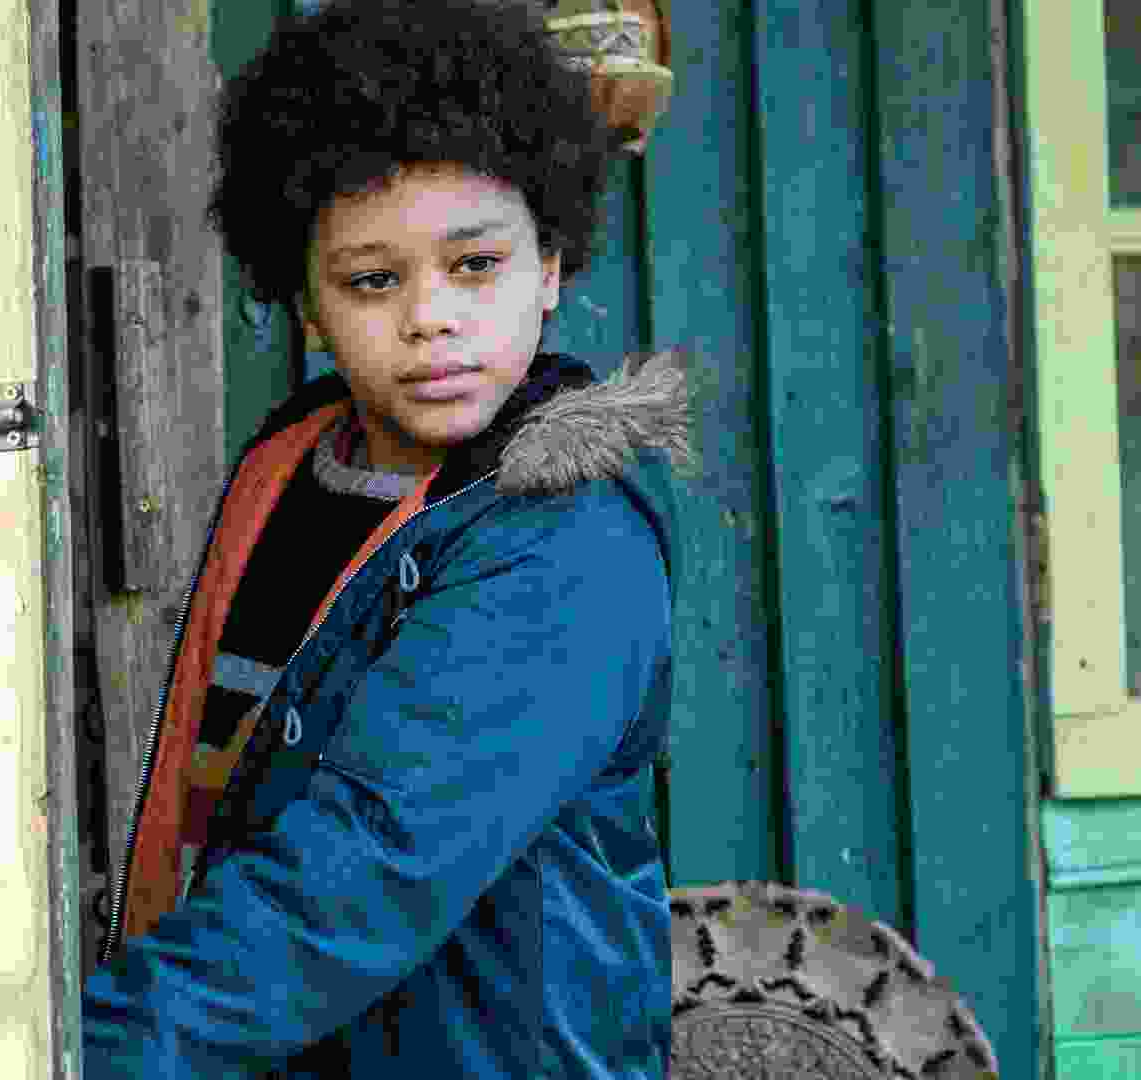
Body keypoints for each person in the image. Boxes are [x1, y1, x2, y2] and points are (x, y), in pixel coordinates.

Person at [81, 1, 690, 1075]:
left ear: (551, 264)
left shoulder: (564, 539)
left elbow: (370, 865)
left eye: (476, 266)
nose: (430, 319)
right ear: (306, 304)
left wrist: (88, 1050)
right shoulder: (292, 466)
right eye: (374, 280)